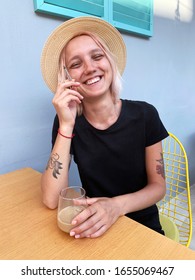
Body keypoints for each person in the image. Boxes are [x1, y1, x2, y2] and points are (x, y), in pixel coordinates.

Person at [40, 16, 169, 239]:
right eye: (76, 64)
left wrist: (116, 206)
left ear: (110, 62)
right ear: (68, 78)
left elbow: (158, 187)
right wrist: (67, 124)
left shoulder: (146, 115)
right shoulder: (67, 122)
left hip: (143, 226)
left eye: (97, 56)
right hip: (96, 226)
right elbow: (51, 200)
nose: (89, 68)